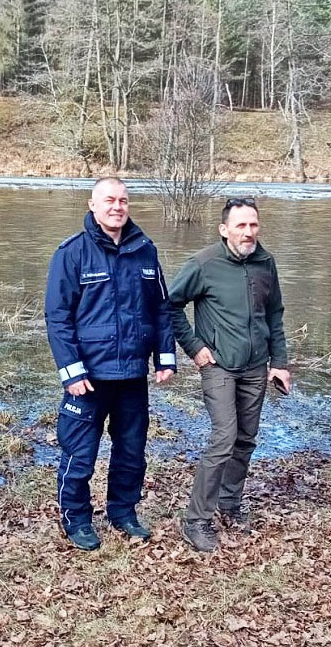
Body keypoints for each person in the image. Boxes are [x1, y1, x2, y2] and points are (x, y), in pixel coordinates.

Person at [44, 178, 176, 551]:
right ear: (92, 205)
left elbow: (161, 308)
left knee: (131, 452)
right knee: (80, 453)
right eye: (109, 200)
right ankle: (76, 519)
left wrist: (165, 357)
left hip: (133, 375)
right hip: (89, 378)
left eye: (123, 200)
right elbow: (57, 317)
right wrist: (71, 371)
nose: (117, 207)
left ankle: (123, 512)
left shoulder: (145, 250)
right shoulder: (72, 253)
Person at [168, 198, 290, 553]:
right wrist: (194, 346)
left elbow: (275, 314)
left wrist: (279, 361)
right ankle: (196, 520)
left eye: (253, 225)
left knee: (246, 439)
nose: (248, 232)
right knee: (224, 438)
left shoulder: (266, 263)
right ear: (224, 230)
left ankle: (229, 503)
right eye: (240, 226)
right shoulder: (203, 264)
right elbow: (170, 305)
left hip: (256, 366)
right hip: (218, 365)